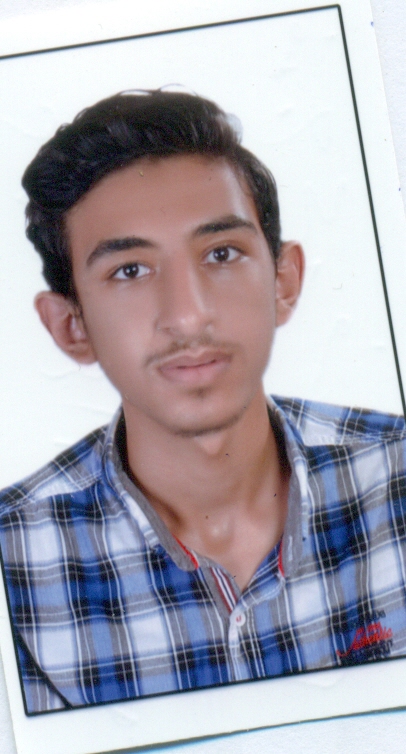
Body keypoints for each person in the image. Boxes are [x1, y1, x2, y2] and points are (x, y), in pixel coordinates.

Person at [0, 89, 405, 716]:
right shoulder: (14, 565)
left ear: (283, 281)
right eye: (130, 270)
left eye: (221, 254)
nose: (188, 315)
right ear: (70, 326)